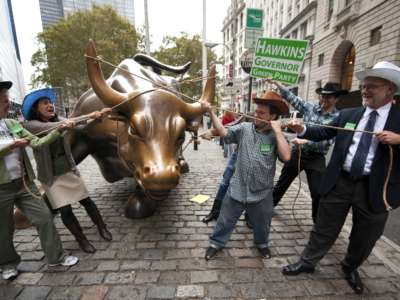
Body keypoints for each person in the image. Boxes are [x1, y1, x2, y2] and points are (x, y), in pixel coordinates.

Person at [282, 61, 400, 294]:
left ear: (389, 89)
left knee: (365, 237)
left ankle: (350, 266)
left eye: (372, 86)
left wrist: (398, 139)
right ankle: (307, 262)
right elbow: (324, 131)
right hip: (340, 181)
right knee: (324, 226)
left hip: (375, 189)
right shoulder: (350, 114)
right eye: (364, 86)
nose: (365, 90)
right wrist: (302, 130)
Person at [0, 81, 78, 280]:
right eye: (3, 101)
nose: (7, 104)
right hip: (2, 189)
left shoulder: (12, 124)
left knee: (44, 217)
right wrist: (10, 146)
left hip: (25, 183)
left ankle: (56, 257)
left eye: (7, 100)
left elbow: (37, 141)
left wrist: (59, 130)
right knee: (4, 229)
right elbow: (11, 147)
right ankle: (8, 264)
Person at [202, 91, 291, 260]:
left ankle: (262, 244)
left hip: (262, 192)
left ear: (272, 116)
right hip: (237, 187)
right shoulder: (244, 129)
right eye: (256, 112)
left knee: (263, 223)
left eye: (262, 113)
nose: (256, 115)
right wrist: (211, 112)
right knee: (225, 220)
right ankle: (216, 243)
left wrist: (278, 131)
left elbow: (286, 157)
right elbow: (224, 133)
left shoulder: (276, 136)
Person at [22, 88, 112, 254]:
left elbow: (81, 127)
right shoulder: (31, 126)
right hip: (51, 177)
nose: (50, 105)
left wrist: (99, 116)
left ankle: (102, 227)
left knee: (87, 201)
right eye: (45, 103)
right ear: (36, 109)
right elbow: (54, 127)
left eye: (50, 102)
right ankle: (82, 240)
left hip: (68, 169)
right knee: (65, 210)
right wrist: (88, 115)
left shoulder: (60, 119)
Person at [268, 80, 345, 222]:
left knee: (318, 191)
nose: (324, 99)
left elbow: (328, 140)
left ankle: (318, 221)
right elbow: (292, 98)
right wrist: (278, 84)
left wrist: (307, 140)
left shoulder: (338, 118)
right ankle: (268, 208)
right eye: (322, 96)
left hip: (316, 158)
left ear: (336, 99)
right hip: (298, 153)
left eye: (328, 97)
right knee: (282, 183)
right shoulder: (310, 107)